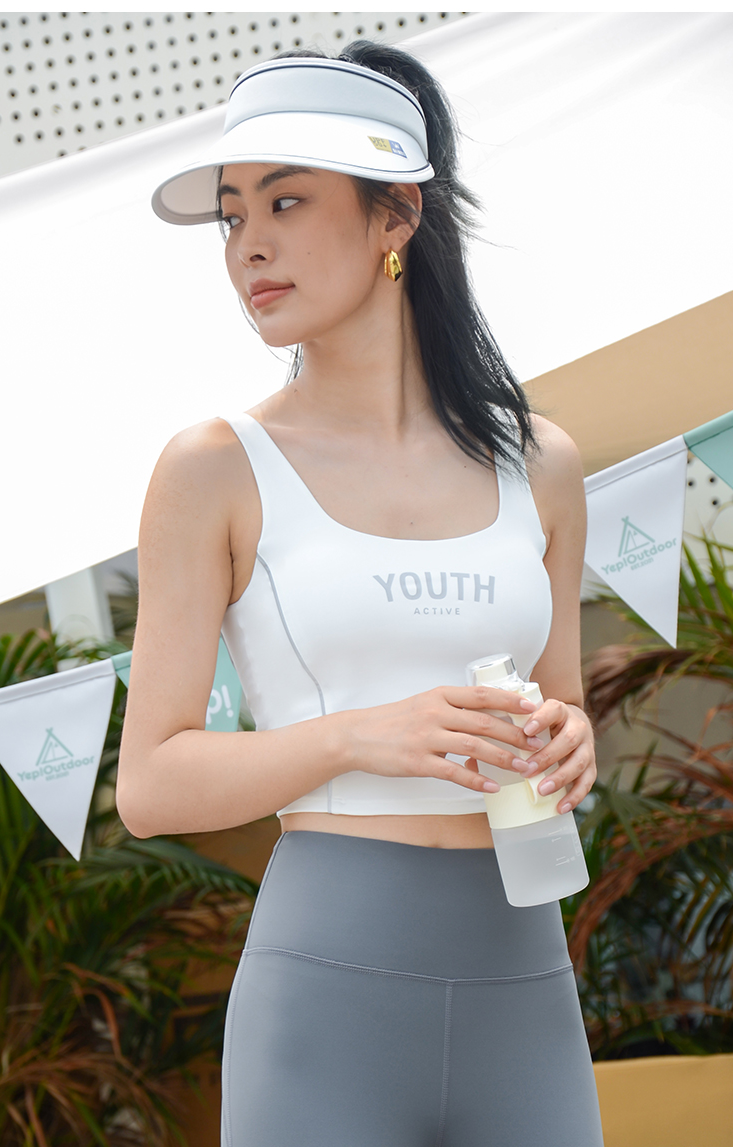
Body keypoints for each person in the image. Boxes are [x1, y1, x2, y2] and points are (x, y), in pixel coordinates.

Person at [118, 41, 605, 1147]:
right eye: (232, 214)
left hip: (525, 978)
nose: (249, 244)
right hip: (326, 990)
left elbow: (563, 705)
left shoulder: (541, 464)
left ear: (398, 215)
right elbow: (149, 784)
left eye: (285, 201)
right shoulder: (213, 470)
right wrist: (359, 735)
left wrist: (572, 738)